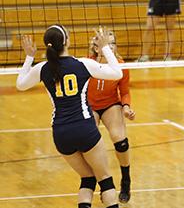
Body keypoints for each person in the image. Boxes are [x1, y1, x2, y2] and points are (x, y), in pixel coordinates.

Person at [16, 25, 123, 208]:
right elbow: (117, 73)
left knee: (87, 178)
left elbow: (20, 84)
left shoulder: (42, 69)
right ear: (66, 42)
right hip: (84, 128)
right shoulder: (82, 64)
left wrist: (29, 57)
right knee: (105, 179)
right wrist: (105, 47)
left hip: (61, 134)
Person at [88, 30, 135, 203]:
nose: (109, 46)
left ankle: (126, 179)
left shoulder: (120, 65)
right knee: (91, 143)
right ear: (95, 47)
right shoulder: (88, 63)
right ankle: (104, 184)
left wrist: (126, 107)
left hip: (110, 104)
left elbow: (125, 92)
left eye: (112, 43)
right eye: (104, 43)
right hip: (90, 106)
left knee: (119, 139)